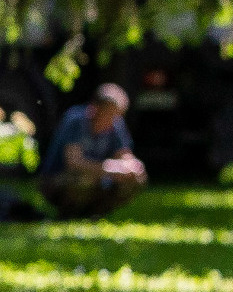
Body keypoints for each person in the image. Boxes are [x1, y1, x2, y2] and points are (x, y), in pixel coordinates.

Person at [38, 84, 149, 219]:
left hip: (97, 181)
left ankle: (96, 213)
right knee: (86, 178)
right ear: (94, 108)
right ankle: (68, 214)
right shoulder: (76, 120)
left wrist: (132, 166)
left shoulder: (115, 123)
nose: (112, 120)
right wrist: (110, 168)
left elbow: (124, 154)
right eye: (108, 114)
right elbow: (74, 162)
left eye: (117, 115)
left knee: (136, 178)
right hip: (57, 181)